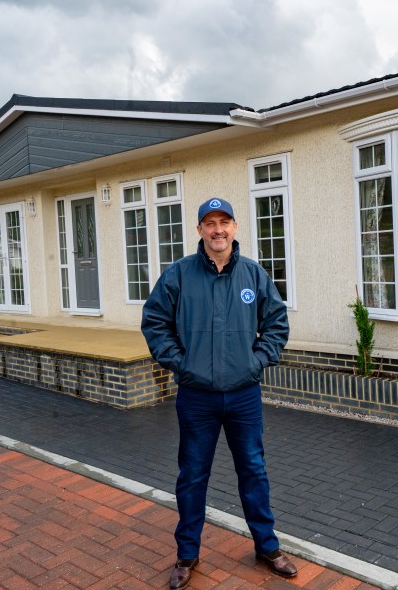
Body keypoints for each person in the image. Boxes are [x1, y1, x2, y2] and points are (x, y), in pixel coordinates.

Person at [141, 197, 297, 589]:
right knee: (192, 476)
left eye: (224, 222)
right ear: (199, 230)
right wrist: (182, 363)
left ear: (235, 227)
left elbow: (277, 324)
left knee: (254, 470)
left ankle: (267, 546)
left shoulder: (253, 275)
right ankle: (187, 554)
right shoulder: (178, 275)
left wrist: (256, 361)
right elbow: (155, 322)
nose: (218, 230)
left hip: (244, 395)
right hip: (197, 396)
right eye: (209, 223)